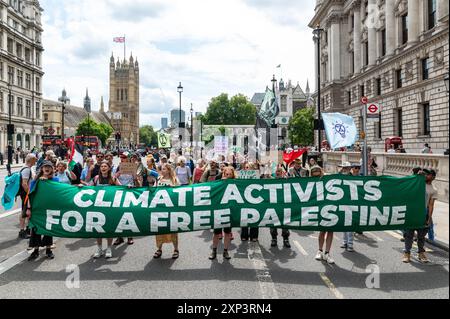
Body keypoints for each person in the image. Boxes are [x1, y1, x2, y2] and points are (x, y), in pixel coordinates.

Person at [403, 168, 436, 263]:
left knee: (421, 236)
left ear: (432, 177)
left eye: (427, 174)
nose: (425, 175)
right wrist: (416, 175)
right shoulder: (415, 182)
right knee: (409, 234)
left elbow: (431, 204)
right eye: (424, 174)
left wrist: (429, 217)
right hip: (412, 211)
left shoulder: (433, 189)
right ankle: (407, 253)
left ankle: (421, 253)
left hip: (423, 213)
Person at [27, 160, 58, 261]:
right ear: (42, 169)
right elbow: (30, 195)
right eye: (45, 166)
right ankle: (35, 251)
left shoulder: (56, 180)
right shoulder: (35, 181)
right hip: (37, 209)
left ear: (52, 169)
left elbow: (61, 192)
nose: (47, 168)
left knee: (48, 229)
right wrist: (28, 209)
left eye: (49, 167)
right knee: (36, 230)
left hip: (50, 208)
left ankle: (48, 250)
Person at [92, 161, 120, 259]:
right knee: (98, 229)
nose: (103, 167)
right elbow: (89, 188)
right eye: (102, 166)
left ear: (109, 168)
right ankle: (99, 248)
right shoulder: (96, 178)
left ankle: (108, 248)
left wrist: (128, 187)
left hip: (110, 208)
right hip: (98, 207)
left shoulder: (113, 178)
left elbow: (121, 188)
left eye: (105, 166)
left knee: (108, 228)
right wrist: (80, 187)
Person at [153, 163, 180, 259]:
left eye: (164, 169)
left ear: (168, 170)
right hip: (160, 208)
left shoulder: (175, 180)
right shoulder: (158, 179)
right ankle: (159, 249)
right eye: (161, 169)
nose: (162, 170)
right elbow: (153, 191)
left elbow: (180, 193)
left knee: (173, 229)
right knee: (159, 230)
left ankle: (176, 249)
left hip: (171, 209)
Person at [209, 166, 235, 260]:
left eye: (229, 174)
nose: (227, 176)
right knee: (216, 233)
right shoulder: (218, 182)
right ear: (223, 174)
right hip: (219, 211)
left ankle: (225, 251)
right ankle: (214, 251)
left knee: (227, 233)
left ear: (232, 175)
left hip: (229, 211)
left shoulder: (235, 183)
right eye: (226, 174)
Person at [113, 152, 139, 245]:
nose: (122, 159)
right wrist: (118, 174)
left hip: (130, 192)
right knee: (118, 214)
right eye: (121, 157)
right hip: (120, 192)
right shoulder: (118, 167)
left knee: (129, 214)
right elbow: (113, 179)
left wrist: (135, 176)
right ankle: (119, 237)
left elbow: (137, 182)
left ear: (128, 158)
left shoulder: (133, 167)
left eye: (124, 157)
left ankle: (130, 236)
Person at [312, 166, 335, 264]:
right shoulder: (310, 181)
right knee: (322, 230)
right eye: (314, 175)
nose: (316, 176)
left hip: (330, 206)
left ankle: (327, 253)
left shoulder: (327, 178)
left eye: (318, 174)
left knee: (330, 231)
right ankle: (320, 250)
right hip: (319, 207)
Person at [270, 165, 291, 248]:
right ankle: (274, 238)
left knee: (285, 224)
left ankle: (286, 239)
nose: (278, 173)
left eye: (279, 172)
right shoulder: (271, 181)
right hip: (274, 206)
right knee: (273, 224)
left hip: (284, 206)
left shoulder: (286, 181)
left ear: (282, 173)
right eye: (277, 172)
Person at [18, 154, 37, 239]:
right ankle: (22, 231)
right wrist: (29, 193)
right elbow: (24, 184)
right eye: (34, 160)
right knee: (24, 211)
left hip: (26, 193)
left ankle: (27, 229)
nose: (35, 161)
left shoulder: (28, 168)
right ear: (31, 160)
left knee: (26, 211)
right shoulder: (26, 169)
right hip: (26, 194)